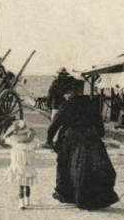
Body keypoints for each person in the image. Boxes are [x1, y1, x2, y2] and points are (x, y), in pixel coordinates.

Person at [46, 80, 119, 210]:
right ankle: (97, 198)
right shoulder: (91, 104)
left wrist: (49, 140)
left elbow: (54, 125)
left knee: (65, 166)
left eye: (66, 93)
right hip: (92, 140)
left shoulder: (67, 105)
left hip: (71, 140)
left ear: (71, 92)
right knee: (96, 169)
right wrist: (96, 136)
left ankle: (66, 195)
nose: (64, 96)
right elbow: (100, 128)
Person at [4, 120, 39, 210]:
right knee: (24, 184)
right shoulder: (31, 143)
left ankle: (24, 199)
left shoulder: (15, 143)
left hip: (23, 166)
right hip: (23, 167)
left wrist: (11, 130)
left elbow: (5, 137)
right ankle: (24, 200)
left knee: (23, 185)